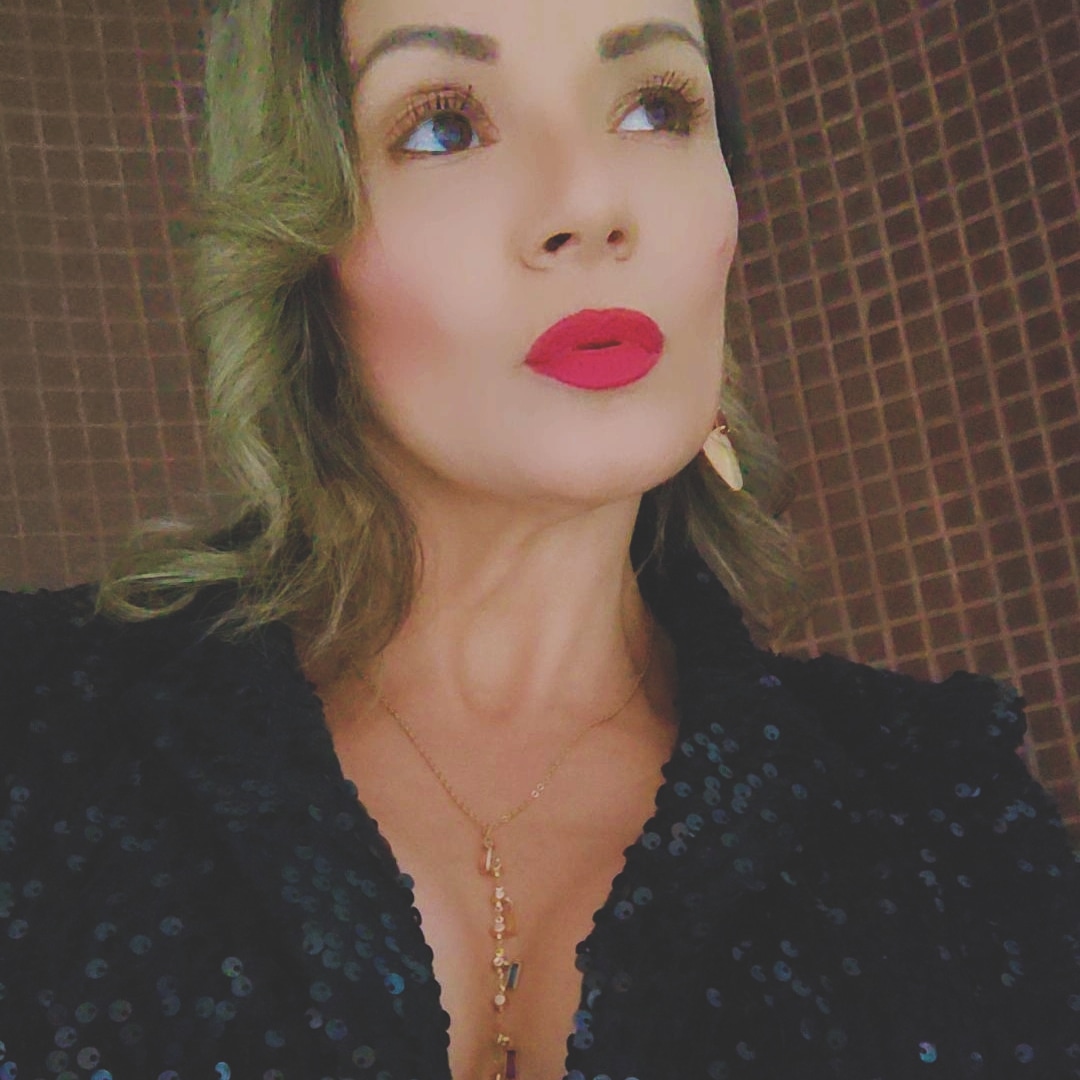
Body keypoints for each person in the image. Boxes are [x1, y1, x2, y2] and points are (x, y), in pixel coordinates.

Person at [1, 0, 1078, 1077]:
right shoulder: (33, 730)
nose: (590, 204)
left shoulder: (946, 818)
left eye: (655, 108)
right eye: (444, 127)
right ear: (298, 239)